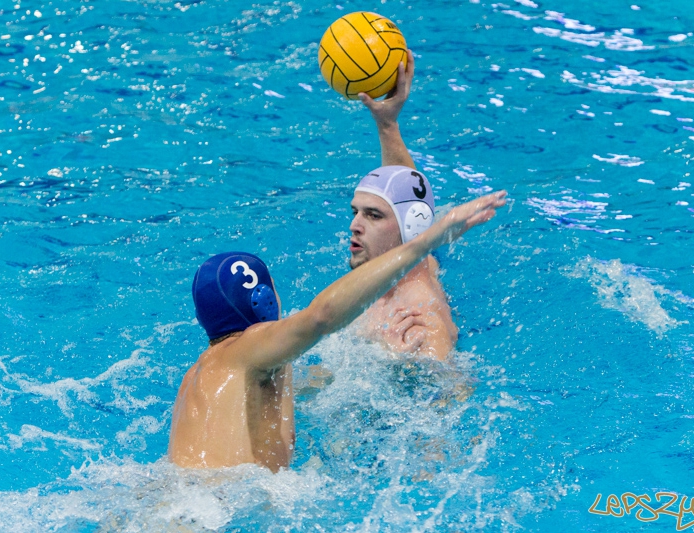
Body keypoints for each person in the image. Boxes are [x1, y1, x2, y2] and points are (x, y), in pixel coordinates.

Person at [168, 190, 507, 471]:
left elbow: (313, 387)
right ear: (264, 302)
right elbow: (323, 315)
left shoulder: (202, 374)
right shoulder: (252, 348)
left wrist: (383, 363)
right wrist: (427, 240)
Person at [350, 51, 458, 360]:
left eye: (373, 215)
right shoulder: (382, 278)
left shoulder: (419, 316)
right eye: (356, 211)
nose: (354, 225)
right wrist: (386, 124)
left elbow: (455, 393)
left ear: (410, 228)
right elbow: (406, 193)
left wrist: (391, 363)